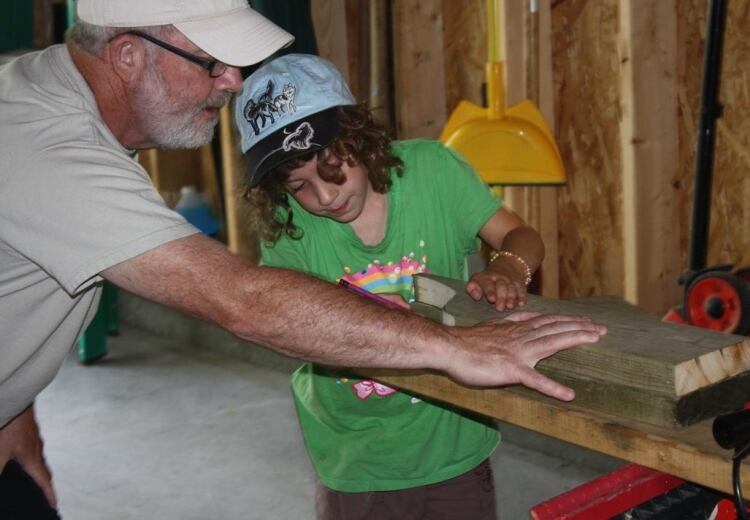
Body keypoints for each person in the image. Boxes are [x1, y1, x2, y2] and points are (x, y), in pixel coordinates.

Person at [0, 0, 606, 516]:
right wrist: (456, 347)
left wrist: (12, 406)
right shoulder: (50, 143)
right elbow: (244, 299)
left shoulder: (61, 116)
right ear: (128, 56)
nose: (233, 81)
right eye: (212, 62)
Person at [235, 54, 554, 519]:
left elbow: (521, 237)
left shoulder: (434, 172)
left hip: (455, 443)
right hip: (355, 458)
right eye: (299, 185)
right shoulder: (288, 227)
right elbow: (286, 324)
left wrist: (507, 268)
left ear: (358, 134)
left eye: (331, 165)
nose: (325, 196)